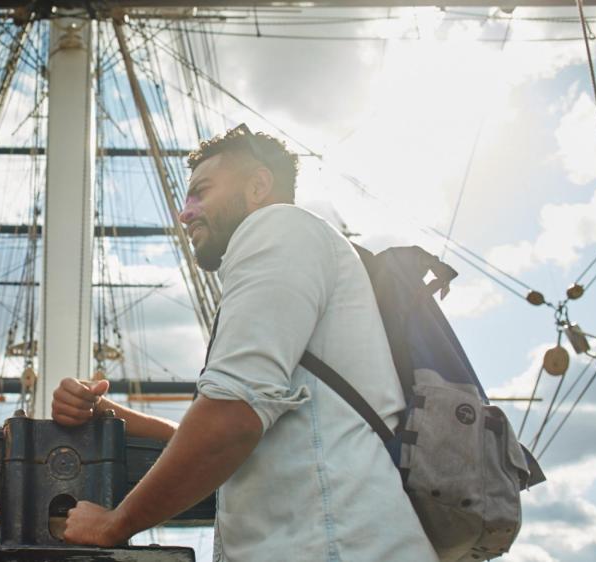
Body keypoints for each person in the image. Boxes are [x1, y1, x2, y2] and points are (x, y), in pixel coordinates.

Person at [58, 125, 437, 561]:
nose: (185, 213)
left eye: (200, 192)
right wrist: (110, 415)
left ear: (258, 186)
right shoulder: (301, 248)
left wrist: (115, 523)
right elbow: (238, 432)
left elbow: (232, 418)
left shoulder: (278, 226)